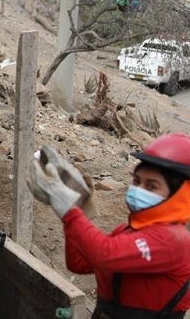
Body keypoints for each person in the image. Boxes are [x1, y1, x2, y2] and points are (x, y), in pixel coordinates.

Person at [29, 134, 190, 318]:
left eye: (151, 186)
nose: (138, 189)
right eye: (137, 181)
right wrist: (78, 209)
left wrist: (70, 212)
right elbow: (79, 264)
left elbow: (103, 254)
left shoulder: (174, 241)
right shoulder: (126, 230)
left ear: (179, 195)